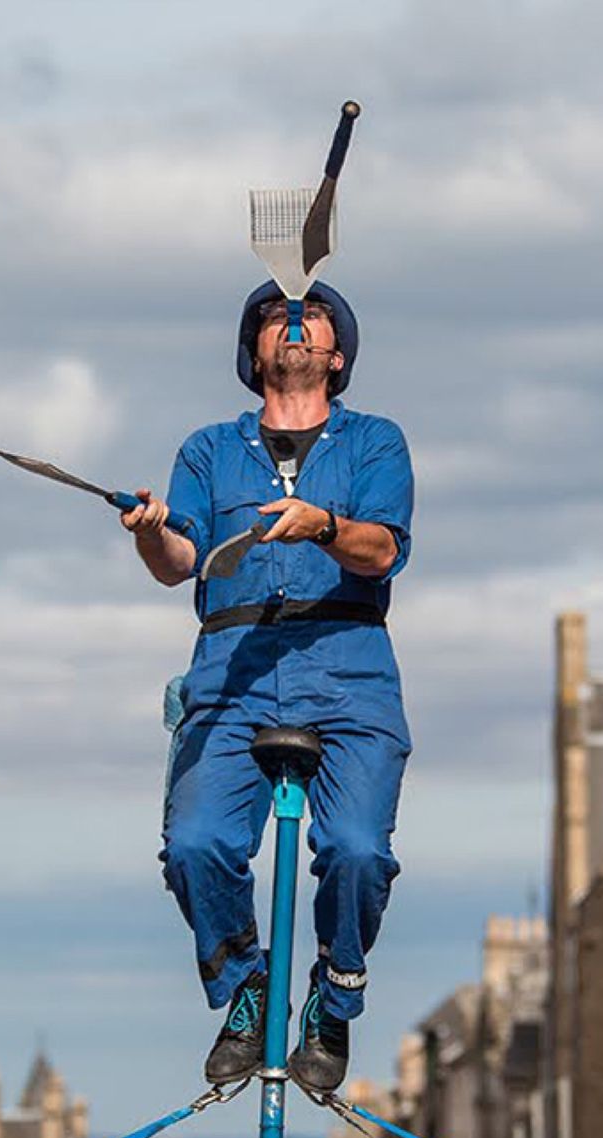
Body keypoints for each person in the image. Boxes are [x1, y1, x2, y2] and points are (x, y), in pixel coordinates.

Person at [123, 278, 413, 1095]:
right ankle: (247, 986)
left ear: (338, 355)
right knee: (195, 846)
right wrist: (151, 534)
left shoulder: (376, 443)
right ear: (252, 355)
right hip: (232, 666)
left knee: (358, 850)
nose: (292, 323)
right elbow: (180, 563)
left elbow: (382, 552)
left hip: (346, 663)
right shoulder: (210, 452)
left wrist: (321, 523)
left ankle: (335, 993)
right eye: (274, 318)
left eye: (312, 315)